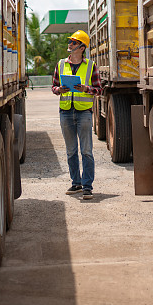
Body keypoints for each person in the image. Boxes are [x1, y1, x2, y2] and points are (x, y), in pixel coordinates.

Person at [52, 30, 101, 200]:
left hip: (84, 113)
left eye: (73, 42)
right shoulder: (60, 64)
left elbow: (99, 90)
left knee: (86, 151)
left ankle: (87, 186)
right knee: (71, 151)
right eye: (70, 42)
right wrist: (59, 90)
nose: (70, 44)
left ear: (81, 47)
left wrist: (86, 89)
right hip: (65, 112)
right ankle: (76, 183)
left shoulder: (90, 66)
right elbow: (54, 87)